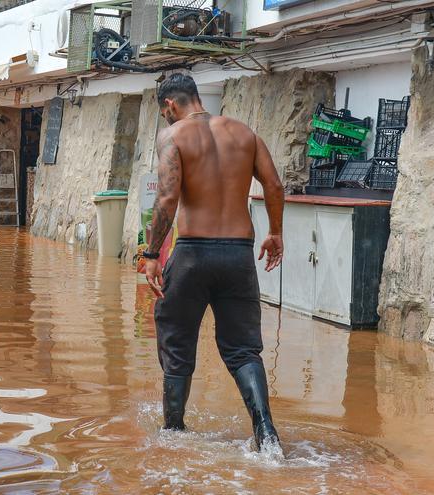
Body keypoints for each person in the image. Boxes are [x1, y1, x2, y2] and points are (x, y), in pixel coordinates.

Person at [142, 73, 284, 453]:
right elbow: (273, 186)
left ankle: (173, 435)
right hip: (238, 255)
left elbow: (168, 199)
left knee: (177, 342)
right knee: (243, 350)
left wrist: (152, 253)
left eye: (164, 113)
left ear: (170, 105)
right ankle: (266, 433)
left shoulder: (173, 137)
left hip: (192, 254)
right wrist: (275, 232)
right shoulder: (245, 133)